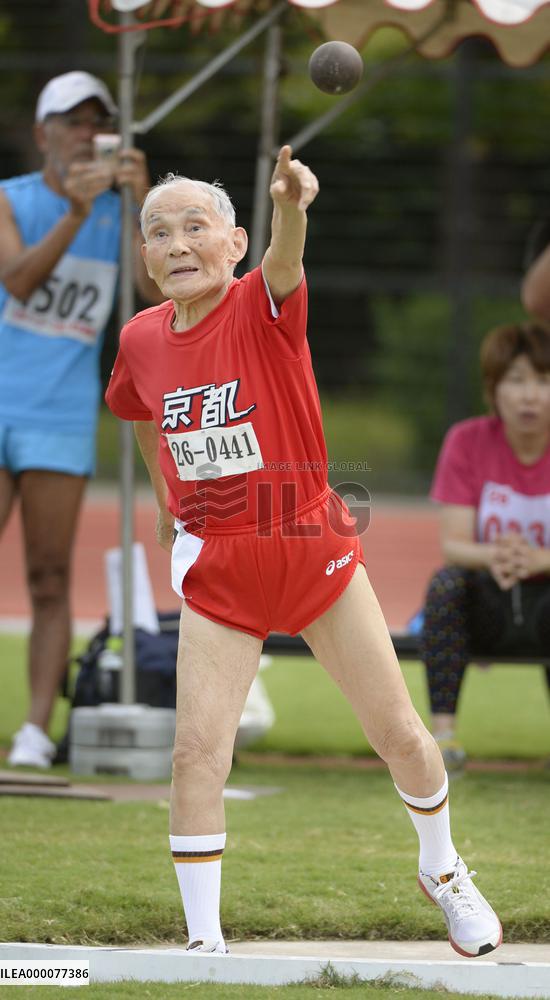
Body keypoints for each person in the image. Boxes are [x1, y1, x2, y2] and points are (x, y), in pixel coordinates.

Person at [105, 146, 502, 958]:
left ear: (235, 243)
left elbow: (288, 258)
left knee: (398, 731)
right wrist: (164, 498)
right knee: (196, 751)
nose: (177, 243)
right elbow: (140, 412)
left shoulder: (263, 304)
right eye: (158, 232)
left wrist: (293, 205)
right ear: (144, 257)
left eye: (195, 227)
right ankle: (204, 947)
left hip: (310, 552)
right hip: (220, 570)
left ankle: (445, 869)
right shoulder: (142, 339)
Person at [0, 71, 161, 769]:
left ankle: (35, 731)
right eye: (71, 121)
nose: (84, 134)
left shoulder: (118, 208)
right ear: (43, 133)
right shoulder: (11, 199)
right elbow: (18, 279)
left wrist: (142, 200)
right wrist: (73, 211)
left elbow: (158, 293)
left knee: (48, 576)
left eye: (97, 122)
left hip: (61, 414)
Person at [420, 323, 550, 773]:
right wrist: (499, 554)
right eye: (516, 380)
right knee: (446, 585)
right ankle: (443, 736)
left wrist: (538, 559)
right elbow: (454, 544)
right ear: (494, 389)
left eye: (543, 380)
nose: (530, 396)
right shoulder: (468, 440)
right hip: (489, 603)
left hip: (544, 602)